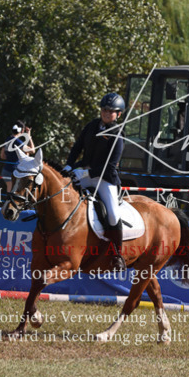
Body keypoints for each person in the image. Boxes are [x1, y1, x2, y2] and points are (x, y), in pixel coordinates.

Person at [63, 92, 127, 271]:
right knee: (63, 195)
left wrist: (88, 173)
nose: (107, 113)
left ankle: (117, 254)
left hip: (105, 179)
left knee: (113, 214)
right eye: (104, 110)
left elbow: (111, 166)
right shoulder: (91, 126)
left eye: (111, 111)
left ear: (118, 114)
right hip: (83, 172)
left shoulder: (118, 134)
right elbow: (77, 147)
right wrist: (69, 166)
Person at [0, 120, 35, 193]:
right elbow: (32, 151)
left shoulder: (8, 139)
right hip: (14, 171)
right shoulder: (17, 142)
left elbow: (2, 156)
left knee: (10, 190)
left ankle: (7, 202)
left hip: (5, 170)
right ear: (22, 130)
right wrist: (29, 137)